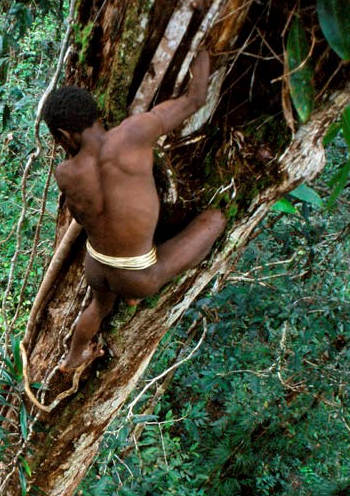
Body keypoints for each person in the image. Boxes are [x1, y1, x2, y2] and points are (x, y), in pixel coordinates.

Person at [42, 51, 226, 372]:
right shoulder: (135, 132)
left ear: (64, 135)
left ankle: (74, 358)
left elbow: (85, 217)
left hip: (96, 267)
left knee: (99, 306)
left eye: (57, 139)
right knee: (215, 221)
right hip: (138, 277)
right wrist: (204, 54)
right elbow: (195, 98)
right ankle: (133, 293)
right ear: (96, 114)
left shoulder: (65, 173)